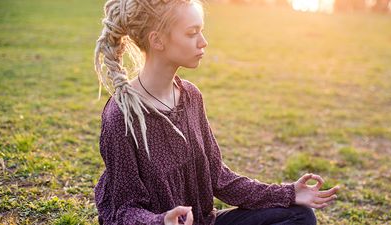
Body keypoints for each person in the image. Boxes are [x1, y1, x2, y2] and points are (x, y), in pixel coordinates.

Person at [93, 0, 340, 224]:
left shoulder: (191, 97)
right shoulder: (121, 117)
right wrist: (160, 221)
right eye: (192, 33)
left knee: (300, 215)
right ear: (157, 40)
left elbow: (218, 178)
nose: (203, 42)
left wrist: (288, 193)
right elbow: (123, 210)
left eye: (201, 31)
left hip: (204, 222)